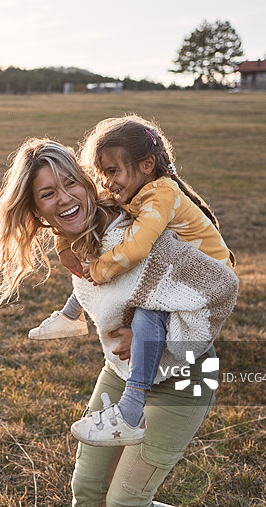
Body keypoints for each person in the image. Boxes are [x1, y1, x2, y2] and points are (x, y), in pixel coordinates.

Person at [0, 137, 238, 507]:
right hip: (121, 372)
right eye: (48, 193)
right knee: (88, 494)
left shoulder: (137, 231)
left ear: (85, 182)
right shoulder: (74, 239)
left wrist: (162, 337)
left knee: (125, 505)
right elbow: (102, 294)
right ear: (34, 209)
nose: (65, 198)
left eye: (71, 184)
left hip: (185, 379)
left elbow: (218, 289)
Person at [32, 115, 236, 447]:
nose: (106, 182)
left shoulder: (160, 194)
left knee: (146, 311)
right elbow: (93, 211)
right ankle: (71, 315)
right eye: (101, 173)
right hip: (174, 271)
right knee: (109, 252)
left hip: (198, 279)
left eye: (112, 172)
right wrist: (63, 245)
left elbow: (138, 248)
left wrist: (97, 271)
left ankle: (130, 410)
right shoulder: (138, 189)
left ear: (145, 165)